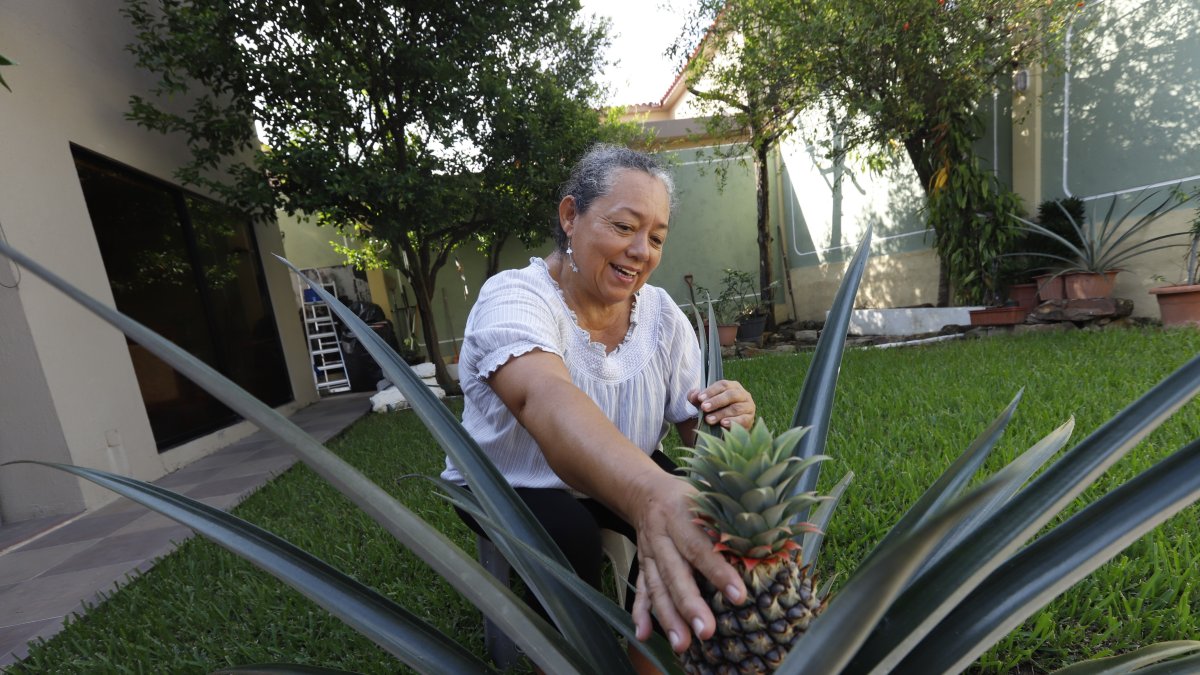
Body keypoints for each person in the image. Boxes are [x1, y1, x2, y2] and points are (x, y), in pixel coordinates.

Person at [441, 144, 756, 666]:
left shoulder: (662, 317)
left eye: (656, 238)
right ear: (571, 216)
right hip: (513, 476)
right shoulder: (515, 298)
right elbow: (544, 396)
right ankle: (571, 657)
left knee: (696, 519)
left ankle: (644, 659)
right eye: (624, 227)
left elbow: (696, 434)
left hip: (625, 467)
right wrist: (652, 493)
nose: (641, 250)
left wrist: (730, 417)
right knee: (572, 539)